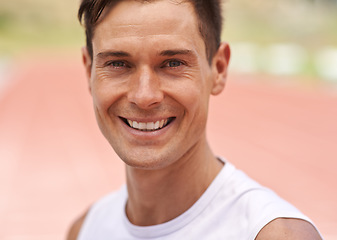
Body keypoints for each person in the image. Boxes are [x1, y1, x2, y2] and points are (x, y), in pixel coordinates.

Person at [68, 0, 322, 239]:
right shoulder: (85, 229)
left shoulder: (274, 234)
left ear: (219, 68)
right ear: (89, 70)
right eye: (118, 64)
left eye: (173, 63)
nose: (144, 96)